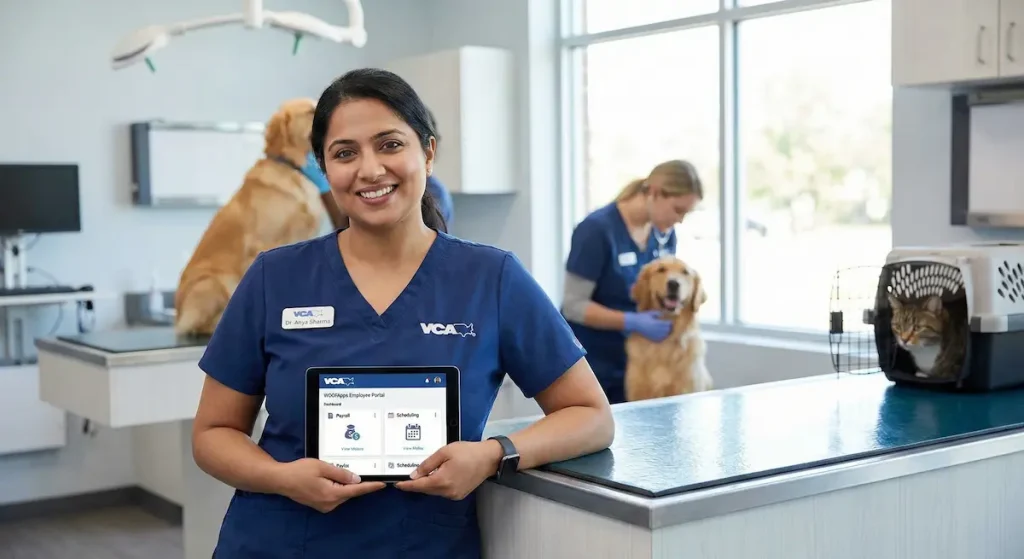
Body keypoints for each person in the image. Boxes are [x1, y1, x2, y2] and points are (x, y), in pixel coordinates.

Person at [191, 67, 614, 558]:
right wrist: (282, 477)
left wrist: (493, 454)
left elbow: (591, 416)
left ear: (427, 153)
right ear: (324, 170)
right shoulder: (275, 278)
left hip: (423, 544)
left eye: (390, 144)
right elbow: (213, 433)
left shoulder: (490, 277)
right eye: (345, 153)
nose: (369, 169)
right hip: (281, 541)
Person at [560, 160, 704, 405]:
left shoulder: (664, 234)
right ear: (656, 193)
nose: (680, 220)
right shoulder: (596, 231)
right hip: (595, 363)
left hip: (642, 357)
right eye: (678, 210)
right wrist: (631, 321)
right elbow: (573, 306)